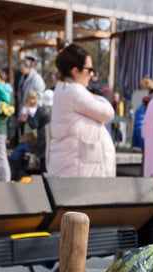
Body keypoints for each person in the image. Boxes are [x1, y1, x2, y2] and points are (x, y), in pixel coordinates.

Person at [48, 43, 116, 177]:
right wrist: (95, 96)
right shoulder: (74, 91)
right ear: (75, 71)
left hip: (74, 170)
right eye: (89, 69)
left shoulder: (63, 89)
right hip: (77, 173)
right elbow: (108, 113)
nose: (91, 74)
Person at [27, 88, 53, 173]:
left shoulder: (41, 110)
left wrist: (29, 116)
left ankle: (45, 183)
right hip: (54, 137)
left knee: (43, 163)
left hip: (43, 137)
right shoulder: (57, 109)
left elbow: (34, 124)